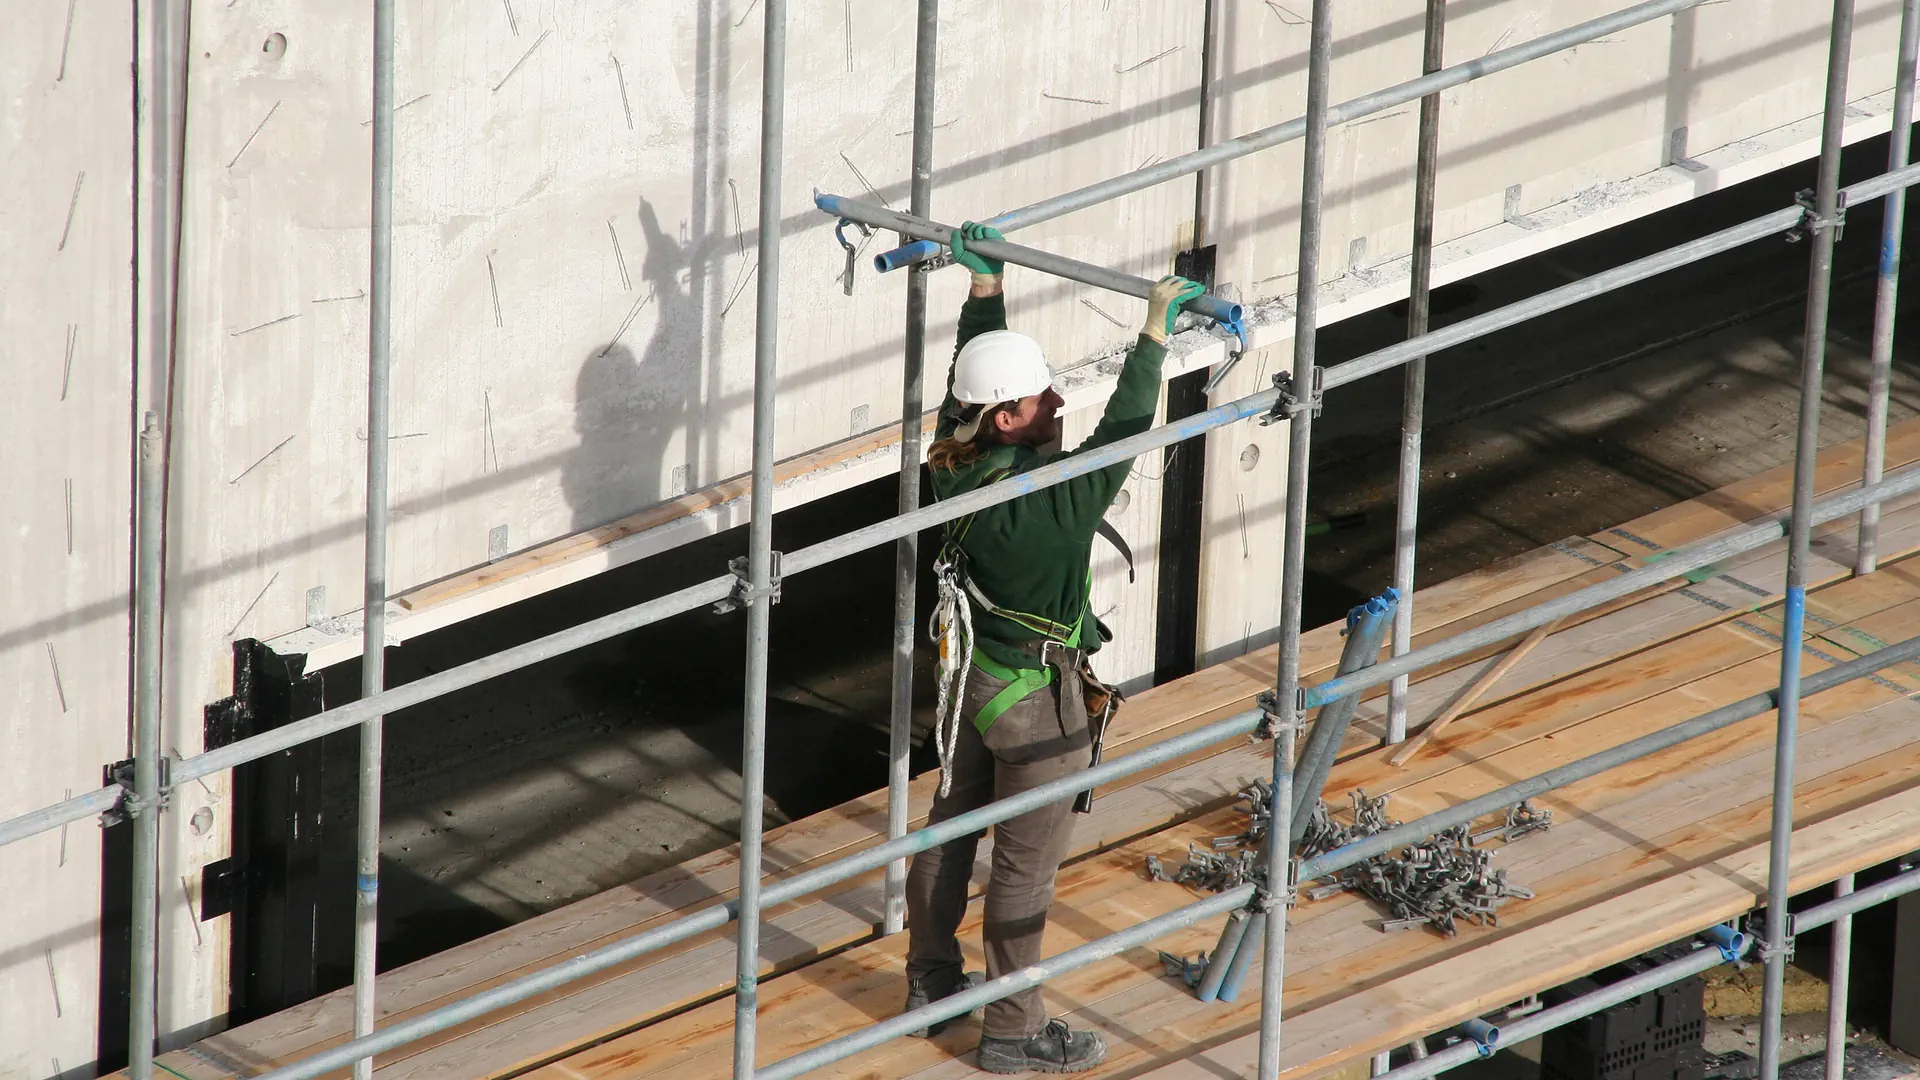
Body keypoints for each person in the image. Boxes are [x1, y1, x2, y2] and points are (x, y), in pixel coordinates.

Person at [902, 220, 1205, 1074]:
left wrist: (985, 292)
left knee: (950, 829)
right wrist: (1153, 334)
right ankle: (1011, 1034)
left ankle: (931, 986)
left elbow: (977, 385)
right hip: (1036, 702)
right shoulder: (1053, 505)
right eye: (1041, 399)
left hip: (971, 677)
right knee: (1024, 873)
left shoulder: (951, 460)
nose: (1057, 403)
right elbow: (1126, 428)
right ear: (1008, 416)